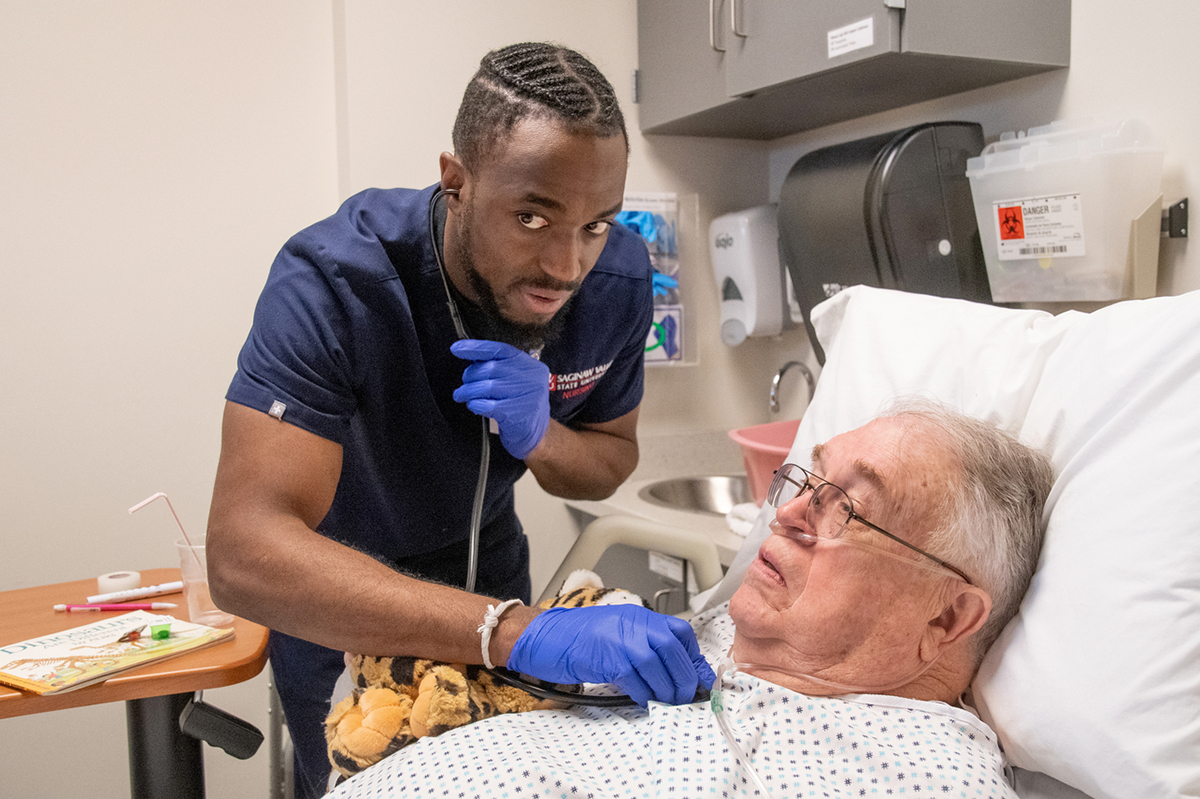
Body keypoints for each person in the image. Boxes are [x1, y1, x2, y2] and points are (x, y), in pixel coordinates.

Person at [206, 42, 713, 798]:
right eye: (533, 216)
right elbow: (243, 551)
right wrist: (517, 631)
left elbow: (611, 456)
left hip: (493, 576)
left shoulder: (615, 280)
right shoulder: (334, 283)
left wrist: (544, 435)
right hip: (344, 603)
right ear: (457, 181)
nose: (566, 265)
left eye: (596, 223)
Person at [320, 399, 1056, 799]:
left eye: (850, 511)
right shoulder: (699, 647)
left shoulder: (920, 773)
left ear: (947, 616)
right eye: (810, 481)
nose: (792, 513)